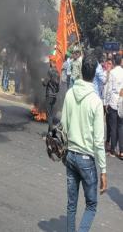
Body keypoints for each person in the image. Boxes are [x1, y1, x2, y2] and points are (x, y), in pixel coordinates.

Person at [61, 54, 107, 232]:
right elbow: (98, 141)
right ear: (95, 72)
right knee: (91, 205)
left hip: (70, 155)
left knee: (71, 205)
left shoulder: (70, 94)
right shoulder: (96, 101)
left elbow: (63, 126)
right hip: (87, 160)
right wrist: (103, 170)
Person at [105, 54, 123, 158]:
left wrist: (107, 103)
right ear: (121, 61)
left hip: (113, 101)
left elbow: (109, 89)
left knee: (113, 126)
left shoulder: (112, 73)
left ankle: (112, 150)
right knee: (121, 126)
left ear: (114, 62)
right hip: (121, 100)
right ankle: (121, 151)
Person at [42, 56, 60, 131]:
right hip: (54, 96)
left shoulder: (50, 71)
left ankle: (51, 132)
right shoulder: (58, 73)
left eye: (50, 62)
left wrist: (42, 80)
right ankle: (50, 131)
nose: (49, 63)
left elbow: (45, 83)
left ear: (51, 63)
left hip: (49, 95)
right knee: (51, 114)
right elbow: (58, 87)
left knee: (48, 115)